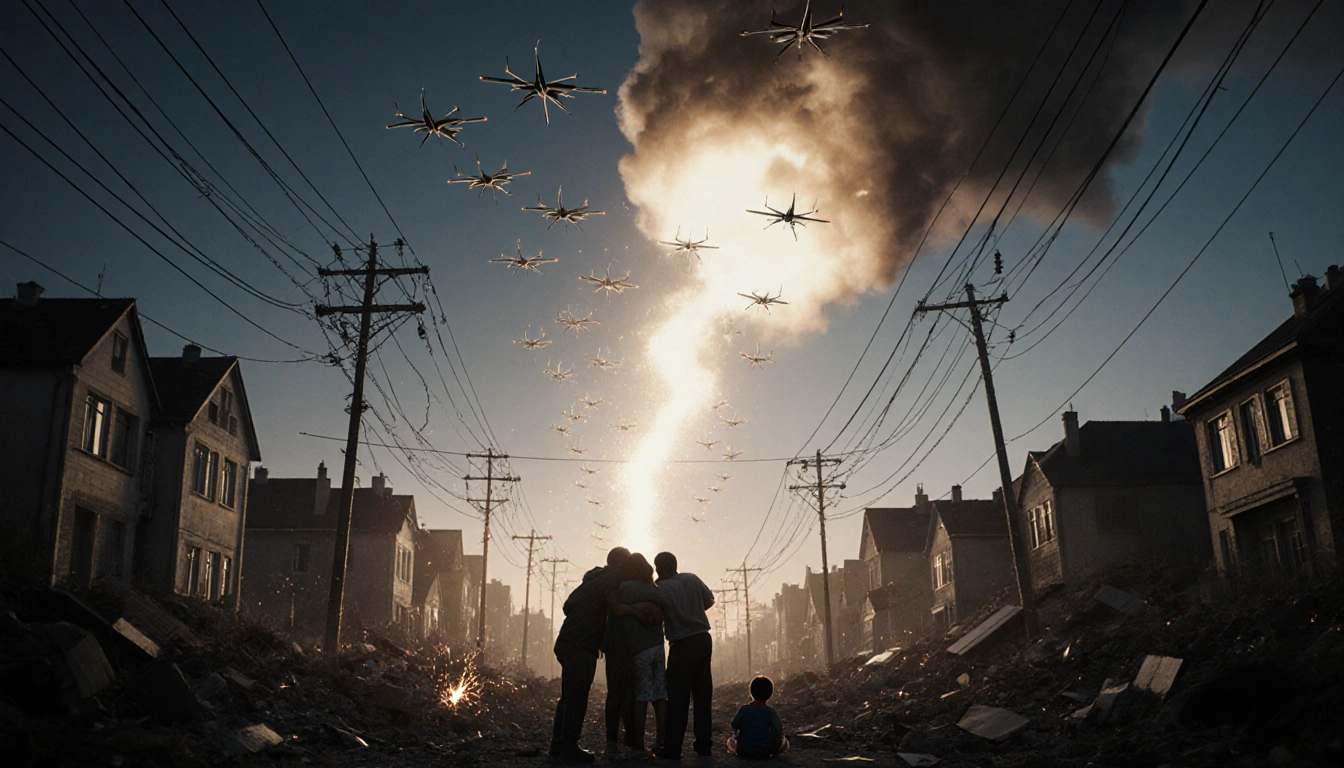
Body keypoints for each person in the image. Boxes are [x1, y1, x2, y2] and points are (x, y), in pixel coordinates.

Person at [551, 547, 629, 764]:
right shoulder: (614, 578)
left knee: (568, 696)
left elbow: (568, 606)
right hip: (581, 644)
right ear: (622, 564)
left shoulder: (592, 579)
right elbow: (615, 605)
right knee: (576, 697)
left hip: (566, 640)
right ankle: (569, 748)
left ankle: (558, 744)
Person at [652, 551, 715, 759]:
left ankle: (673, 747)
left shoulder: (659, 589)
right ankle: (704, 744)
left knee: (678, 697)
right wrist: (692, 609)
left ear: (658, 568)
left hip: (681, 643)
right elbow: (709, 601)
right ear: (675, 565)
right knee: (702, 693)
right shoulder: (691, 578)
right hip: (703, 639)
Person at [611, 553, 668, 757]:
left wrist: (633, 610)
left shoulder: (623, 588)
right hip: (657, 647)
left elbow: (614, 607)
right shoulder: (653, 590)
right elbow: (665, 604)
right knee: (660, 695)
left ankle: (639, 744)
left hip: (639, 649)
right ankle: (662, 741)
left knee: (641, 697)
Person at [727, 677, 789, 759]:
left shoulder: (744, 709)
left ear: (751, 692)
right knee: (785, 742)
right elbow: (778, 729)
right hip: (764, 751)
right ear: (770, 694)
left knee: (730, 741)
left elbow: (734, 725)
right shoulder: (770, 711)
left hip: (743, 750)